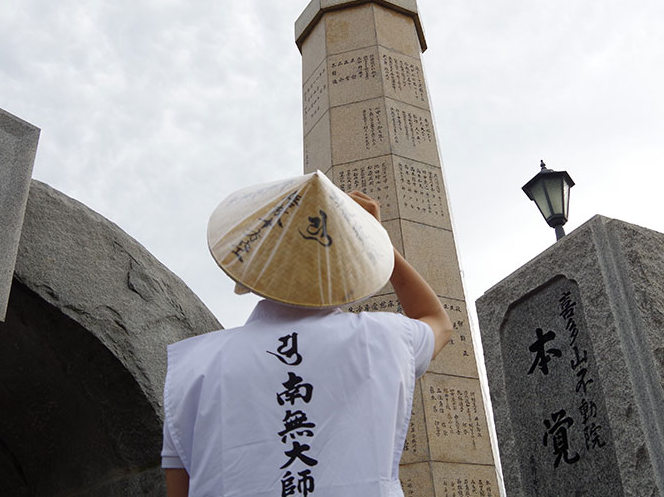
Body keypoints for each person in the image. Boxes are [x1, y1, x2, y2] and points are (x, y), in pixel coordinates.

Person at [161, 176, 452, 497]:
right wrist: (379, 242)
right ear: (349, 267)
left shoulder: (191, 368)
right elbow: (438, 321)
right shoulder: (383, 337)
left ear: (253, 273)